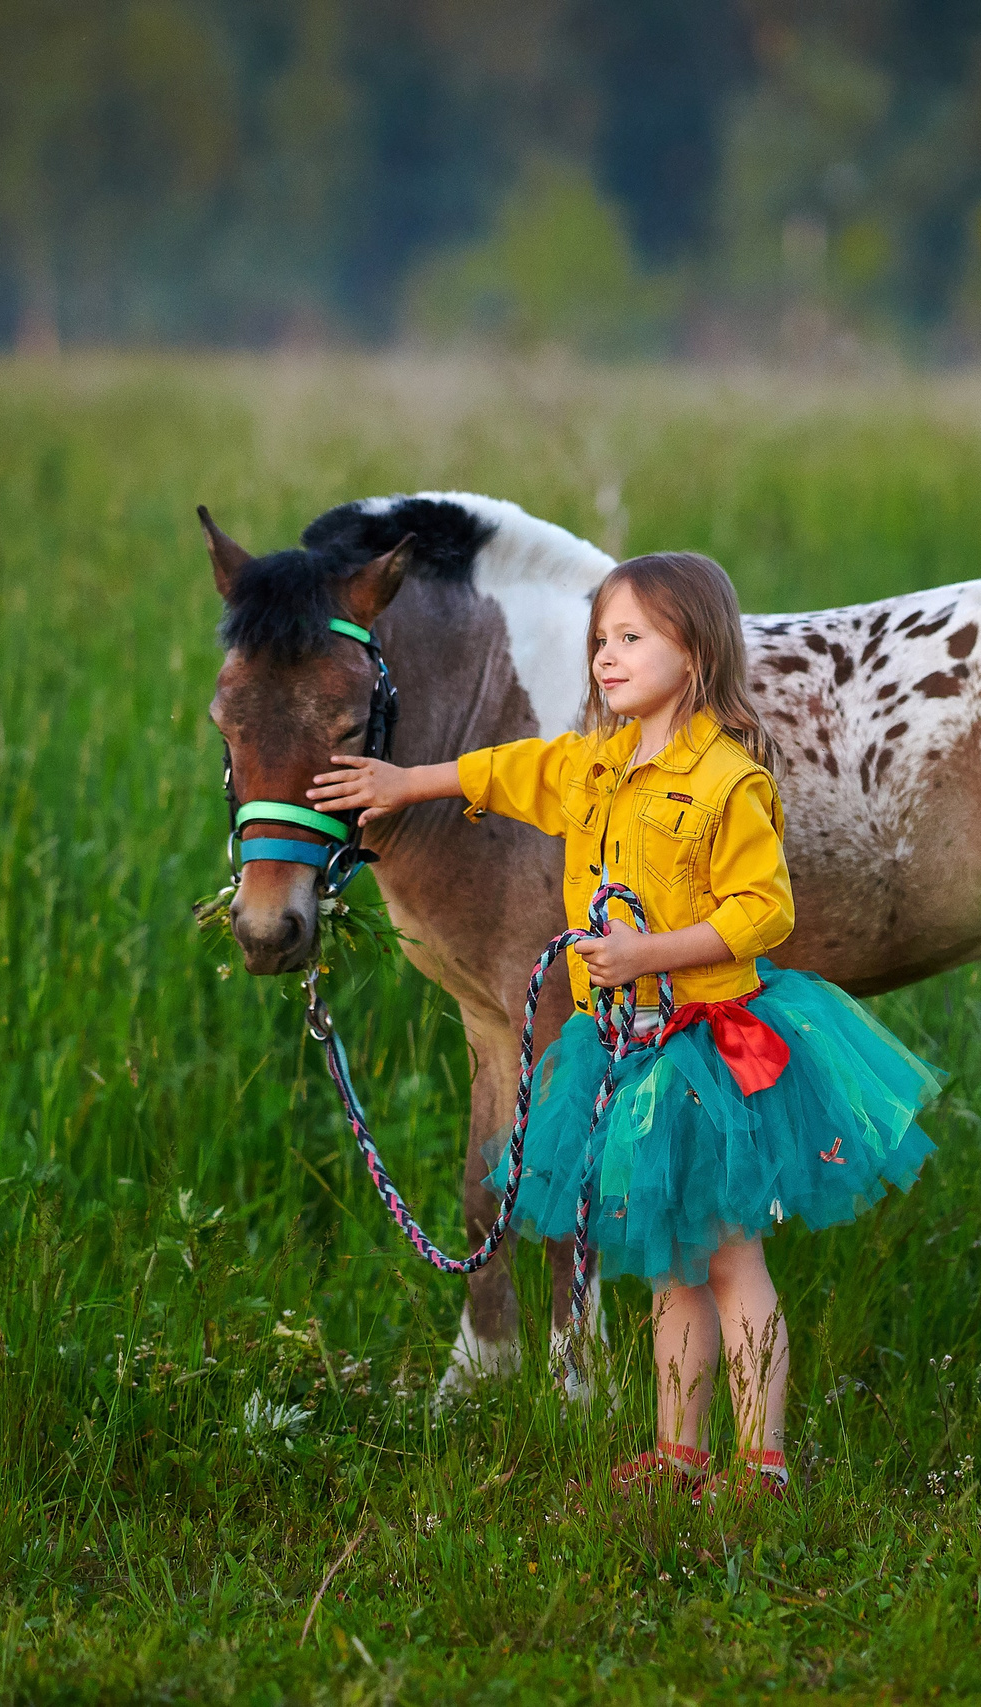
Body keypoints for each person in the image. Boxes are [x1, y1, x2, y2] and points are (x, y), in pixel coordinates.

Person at [307, 551, 939, 1501]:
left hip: (709, 1044)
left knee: (730, 1257)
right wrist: (408, 783)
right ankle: (679, 1451)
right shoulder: (596, 763)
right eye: (601, 638)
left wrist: (652, 952)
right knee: (671, 1266)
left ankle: (760, 1461)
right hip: (627, 1049)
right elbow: (508, 771)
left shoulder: (728, 781)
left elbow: (763, 911)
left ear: (696, 656)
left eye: (632, 638)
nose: (605, 655)